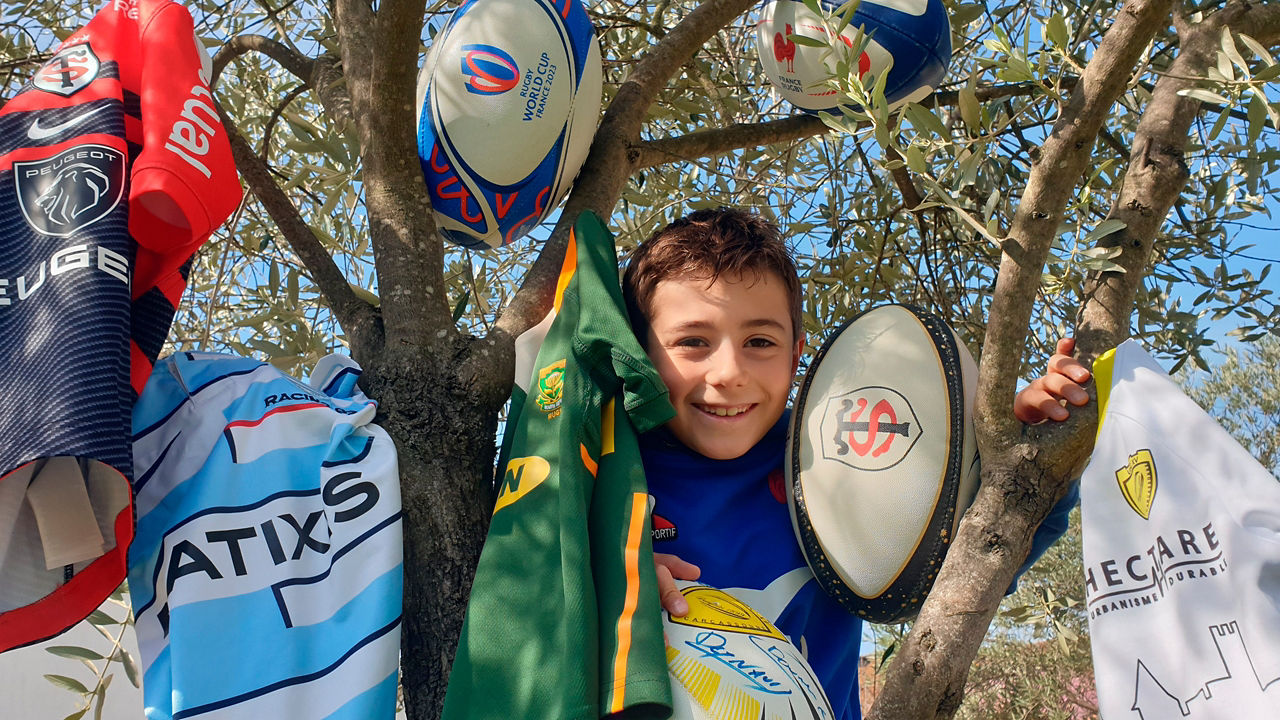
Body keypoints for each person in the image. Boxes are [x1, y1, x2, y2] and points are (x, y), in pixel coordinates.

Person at [621, 207, 1089, 720]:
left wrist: (1022, 458)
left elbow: (981, 558)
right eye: (692, 342)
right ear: (641, 355)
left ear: (797, 356)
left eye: (759, 342)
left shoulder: (838, 460)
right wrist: (607, 576)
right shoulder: (606, 473)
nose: (729, 372)